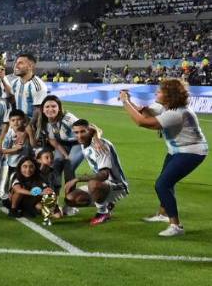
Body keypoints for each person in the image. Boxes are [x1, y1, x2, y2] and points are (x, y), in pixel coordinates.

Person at [120, 80, 207, 237]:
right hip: (177, 150)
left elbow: (142, 122)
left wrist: (125, 102)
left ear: (169, 96)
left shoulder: (177, 113)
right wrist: (133, 103)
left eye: (159, 91)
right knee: (166, 182)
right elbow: (146, 114)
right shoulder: (165, 107)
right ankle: (163, 213)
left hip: (191, 152)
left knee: (162, 184)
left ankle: (176, 226)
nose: (156, 93)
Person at [64, 119, 129, 226]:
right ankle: (107, 203)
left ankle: (102, 213)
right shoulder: (85, 142)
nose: (79, 135)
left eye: (82, 132)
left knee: (93, 183)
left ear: (88, 131)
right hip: (103, 185)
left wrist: (78, 179)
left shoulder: (100, 146)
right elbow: (95, 129)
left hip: (117, 185)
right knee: (71, 199)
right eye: (76, 132)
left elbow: (104, 175)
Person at [0, 52, 47, 138]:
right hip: (17, 125)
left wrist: (26, 130)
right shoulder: (15, 82)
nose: (16, 65)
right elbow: (10, 94)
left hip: (31, 127)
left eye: (20, 63)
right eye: (16, 63)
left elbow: (38, 112)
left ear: (30, 66)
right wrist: (2, 79)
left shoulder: (37, 86)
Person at [40, 95, 82, 183]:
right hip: (64, 144)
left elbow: (87, 128)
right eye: (47, 107)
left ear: (59, 108)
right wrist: (65, 155)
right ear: (43, 110)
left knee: (69, 166)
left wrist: (96, 139)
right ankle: (53, 194)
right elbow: (54, 142)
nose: (50, 109)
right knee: (56, 164)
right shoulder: (45, 124)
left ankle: (70, 195)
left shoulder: (68, 118)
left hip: (79, 143)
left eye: (54, 106)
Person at [0, 110, 35, 200]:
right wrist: (15, 149)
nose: (16, 122)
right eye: (13, 120)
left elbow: (34, 145)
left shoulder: (28, 132)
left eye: (18, 120)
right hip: (13, 165)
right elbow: (2, 150)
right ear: (9, 122)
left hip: (26, 166)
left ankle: (22, 199)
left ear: (23, 121)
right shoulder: (9, 135)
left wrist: (30, 134)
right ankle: (7, 198)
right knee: (11, 182)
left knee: (24, 183)